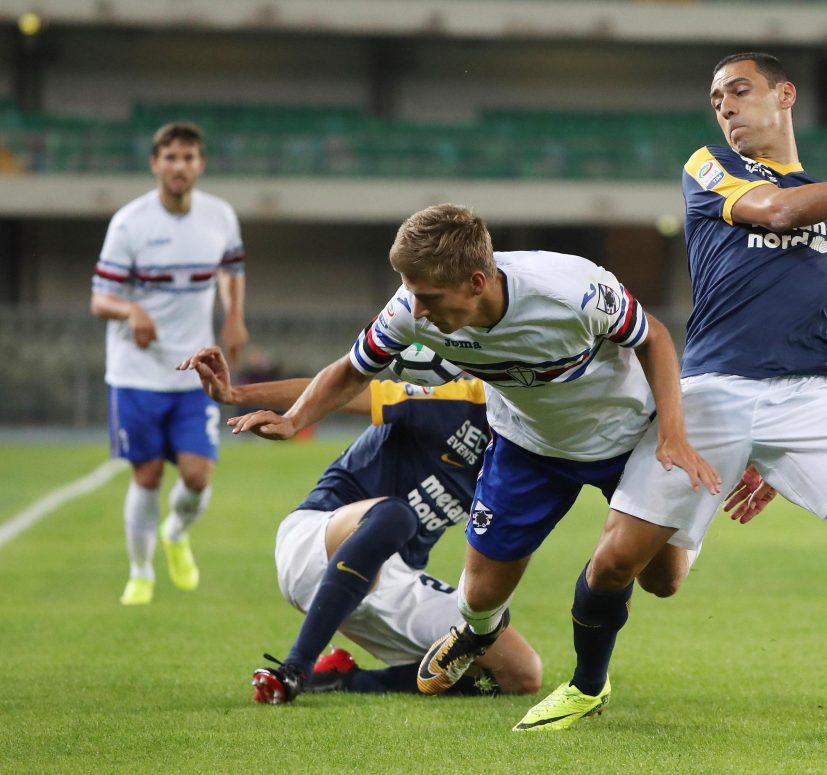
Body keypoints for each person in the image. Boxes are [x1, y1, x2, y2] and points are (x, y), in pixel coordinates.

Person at [510, 52, 827, 739]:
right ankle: (586, 684)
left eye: (739, 91)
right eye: (716, 98)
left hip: (806, 396)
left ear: (784, 94)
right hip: (712, 390)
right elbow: (778, 211)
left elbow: (812, 310)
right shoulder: (708, 167)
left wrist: (776, 450)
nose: (725, 107)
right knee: (628, 563)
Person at [223, 204, 718, 709]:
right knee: (479, 597)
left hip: (621, 436)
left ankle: (688, 525)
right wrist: (294, 418)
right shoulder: (410, 311)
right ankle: (475, 635)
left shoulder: (570, 291)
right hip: (530, 446)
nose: (415, 310)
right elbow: (353, 372)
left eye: (427, 298)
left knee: (663, 581)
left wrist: (673, 433)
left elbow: (653, 336)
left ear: (477, 282)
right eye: (411, 293)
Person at [177, 346, 541, 702]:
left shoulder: (528, 450)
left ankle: (345, 679)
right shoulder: (456, 399)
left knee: (521, 673)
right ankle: (295, 668)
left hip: (397, 579)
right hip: (318, 541)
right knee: (395, 516)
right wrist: (235, 393)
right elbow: (346, 390)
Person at [90, 121, 248, 606]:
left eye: (189, 157)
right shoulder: (129, 223)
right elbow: (100, 299)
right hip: (136, 373)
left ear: (200, 164)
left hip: (192, 370)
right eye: (171, 158)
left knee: (198, 477)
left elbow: (231, 269)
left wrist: (236, 317)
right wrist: (131, 309)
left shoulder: (219, 216)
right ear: (155, 163)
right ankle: (140, 572)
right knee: (148, 476)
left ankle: (175, 532)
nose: (180, 166)